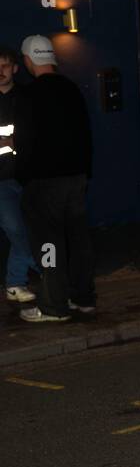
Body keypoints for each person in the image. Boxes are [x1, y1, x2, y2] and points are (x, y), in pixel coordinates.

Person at [13, 35, 95, 323]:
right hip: (76, 178)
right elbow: (85, 133)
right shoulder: (72, 89)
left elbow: (23, 141)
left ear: (27, 60)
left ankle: (53, 305)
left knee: (48, 244)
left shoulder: (29, 95)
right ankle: (83, 298)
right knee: (77, 240)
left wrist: (23, 175)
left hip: (45, 181)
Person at [0, 47, 37, 302]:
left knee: (26, 229)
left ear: (14, 67)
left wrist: (20, 142)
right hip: (1, 180)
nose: (0, 71)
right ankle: (49, 271)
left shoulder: (28, 97)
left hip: (28, 176)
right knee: (15, 229)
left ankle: (15, 283)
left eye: (4, 65)